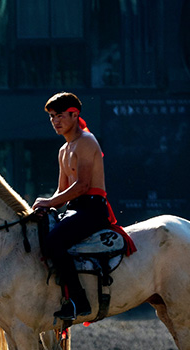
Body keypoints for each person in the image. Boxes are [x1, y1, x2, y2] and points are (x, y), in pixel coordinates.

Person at [32, 92, 134, 320]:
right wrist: (44, 207)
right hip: (74, 210)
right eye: (51, 116)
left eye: (60, 115)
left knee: (54, 242)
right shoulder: (63, 150)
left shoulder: (86, 142)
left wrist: (49, 202)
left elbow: (82, 186)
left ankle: (79, 301)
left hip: (93, 210)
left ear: (74, 114)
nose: (55, 121)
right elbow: (61, 191)